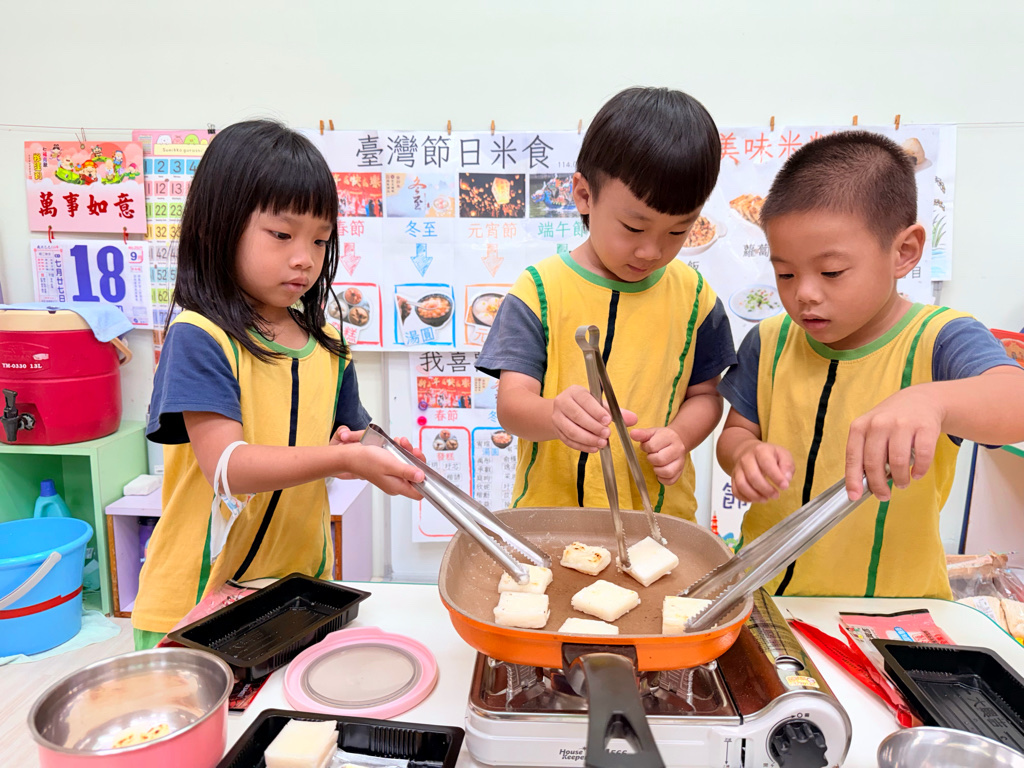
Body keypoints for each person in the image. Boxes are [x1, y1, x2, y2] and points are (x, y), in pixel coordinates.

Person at [132, 121, 424, 649]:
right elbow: (228, 468)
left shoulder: (329, 347)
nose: (305, 258)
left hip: (297, 594)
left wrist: (382, 455)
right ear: (217, 228)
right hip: (196, 604)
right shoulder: (200, 336)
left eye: (320, 240)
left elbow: (346, 443)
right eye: (283, 235)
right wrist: (344, 458)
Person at [717, 130, 1024, 598]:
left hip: (891, 612)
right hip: (766, 597)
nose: (804, 293)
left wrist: (930, 400)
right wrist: (744, 455)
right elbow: (737, 433)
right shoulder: (769, 340)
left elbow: (1014, 399)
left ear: (904, 252)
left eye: (831, 272)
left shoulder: (940, 338)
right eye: (785, 273)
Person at [476, 87, 736, 520]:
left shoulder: (696, 298)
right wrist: (554, 414)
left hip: (659, 522)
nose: (652, 251)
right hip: (555, 521)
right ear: (583, 195)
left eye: (678, 232)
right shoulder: (538, 291)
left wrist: (680, 436)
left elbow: (706, 396)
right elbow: (512, 405)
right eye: (634, 228)